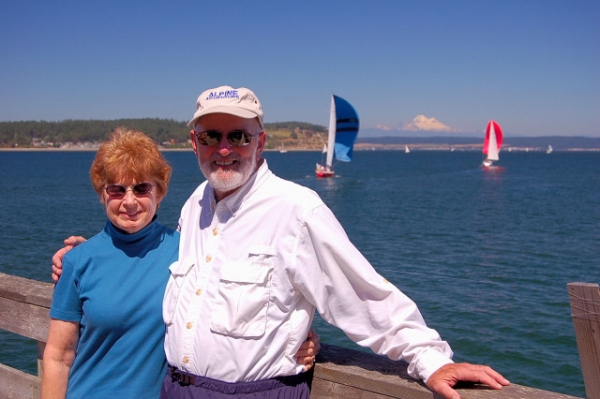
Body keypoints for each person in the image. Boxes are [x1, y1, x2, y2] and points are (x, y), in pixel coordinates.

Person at [53, 85, 508, 399]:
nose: (225, 148)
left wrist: (427, 359)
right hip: (175, 389)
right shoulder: (195, 206)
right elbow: (159, 263)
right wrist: (85, 253)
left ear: (260, 141)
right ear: (195, 143)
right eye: (212, 136)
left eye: (239, 136)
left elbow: (360, 293)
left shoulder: (297, 210)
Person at [44, 127, 319, 399]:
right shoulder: (78, 261)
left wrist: (300, 337)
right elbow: (59, 356)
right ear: (102, 194)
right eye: (117, 190)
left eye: (141, 188)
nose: (129, 201)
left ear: (160, 193)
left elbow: (249, 296)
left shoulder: (188, 249)